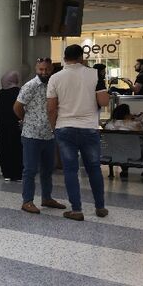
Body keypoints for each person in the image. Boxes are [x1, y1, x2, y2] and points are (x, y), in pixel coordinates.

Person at [47, 44, 110, 221]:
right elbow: (104, 101)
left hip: (65, 128)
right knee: (94, 169)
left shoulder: (55, 78)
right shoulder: (94, 74)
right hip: (89, 128)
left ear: (65, 58)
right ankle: (100, 207)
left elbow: (51, 108)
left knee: (70, 170)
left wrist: (54, 127)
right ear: (82, 57)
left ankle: (76, 209)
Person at [14, 58, 66, 214]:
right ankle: (27, 201)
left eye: (47, 70)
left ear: (52, 70)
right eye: (41, 69)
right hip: (31, 135)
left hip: (49, 134)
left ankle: (47, 198)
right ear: (36, 69)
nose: (44, 72)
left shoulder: (53, 85)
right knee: (30, 170)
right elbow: (17, 107)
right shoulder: (30, 86)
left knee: (48, 169)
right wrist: (26, 120)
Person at [104, 104, 143, 179]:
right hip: (135, 154)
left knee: (121, 146)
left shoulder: (108, 125)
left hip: (113, 153)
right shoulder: (135, 124)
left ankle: (124, 170)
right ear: (127, 114)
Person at [0, 71, 23, 181]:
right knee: (17, 149)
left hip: (2, 127)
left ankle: (6, 173)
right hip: (16, 127)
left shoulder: (0, 93)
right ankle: (17, 174)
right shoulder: (19, 92)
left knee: (3, 148)